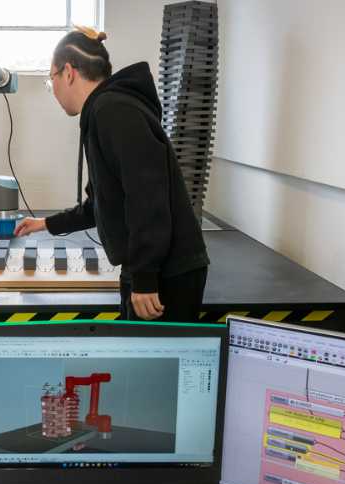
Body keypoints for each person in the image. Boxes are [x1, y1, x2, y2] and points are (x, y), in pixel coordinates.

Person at [15, 27, 210, 323]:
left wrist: (145, 278)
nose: (52, 88)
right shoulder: (106, 110)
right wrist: (45, 224)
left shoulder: (113, 111)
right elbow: (102, 203)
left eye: (50, 79)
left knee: (151, 367)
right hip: (153, 266)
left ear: (68, 73)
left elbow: (148, 196)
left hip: (166, 272)